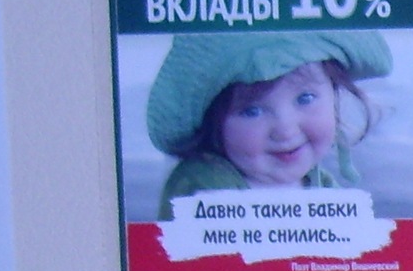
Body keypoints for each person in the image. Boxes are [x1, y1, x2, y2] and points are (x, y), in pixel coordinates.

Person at [141, 30, 391, 213]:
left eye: (305, 98)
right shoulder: (205, 183)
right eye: (252, 111)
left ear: (334, 95)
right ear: (213, 124)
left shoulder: (323, 187)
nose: (285, 130)